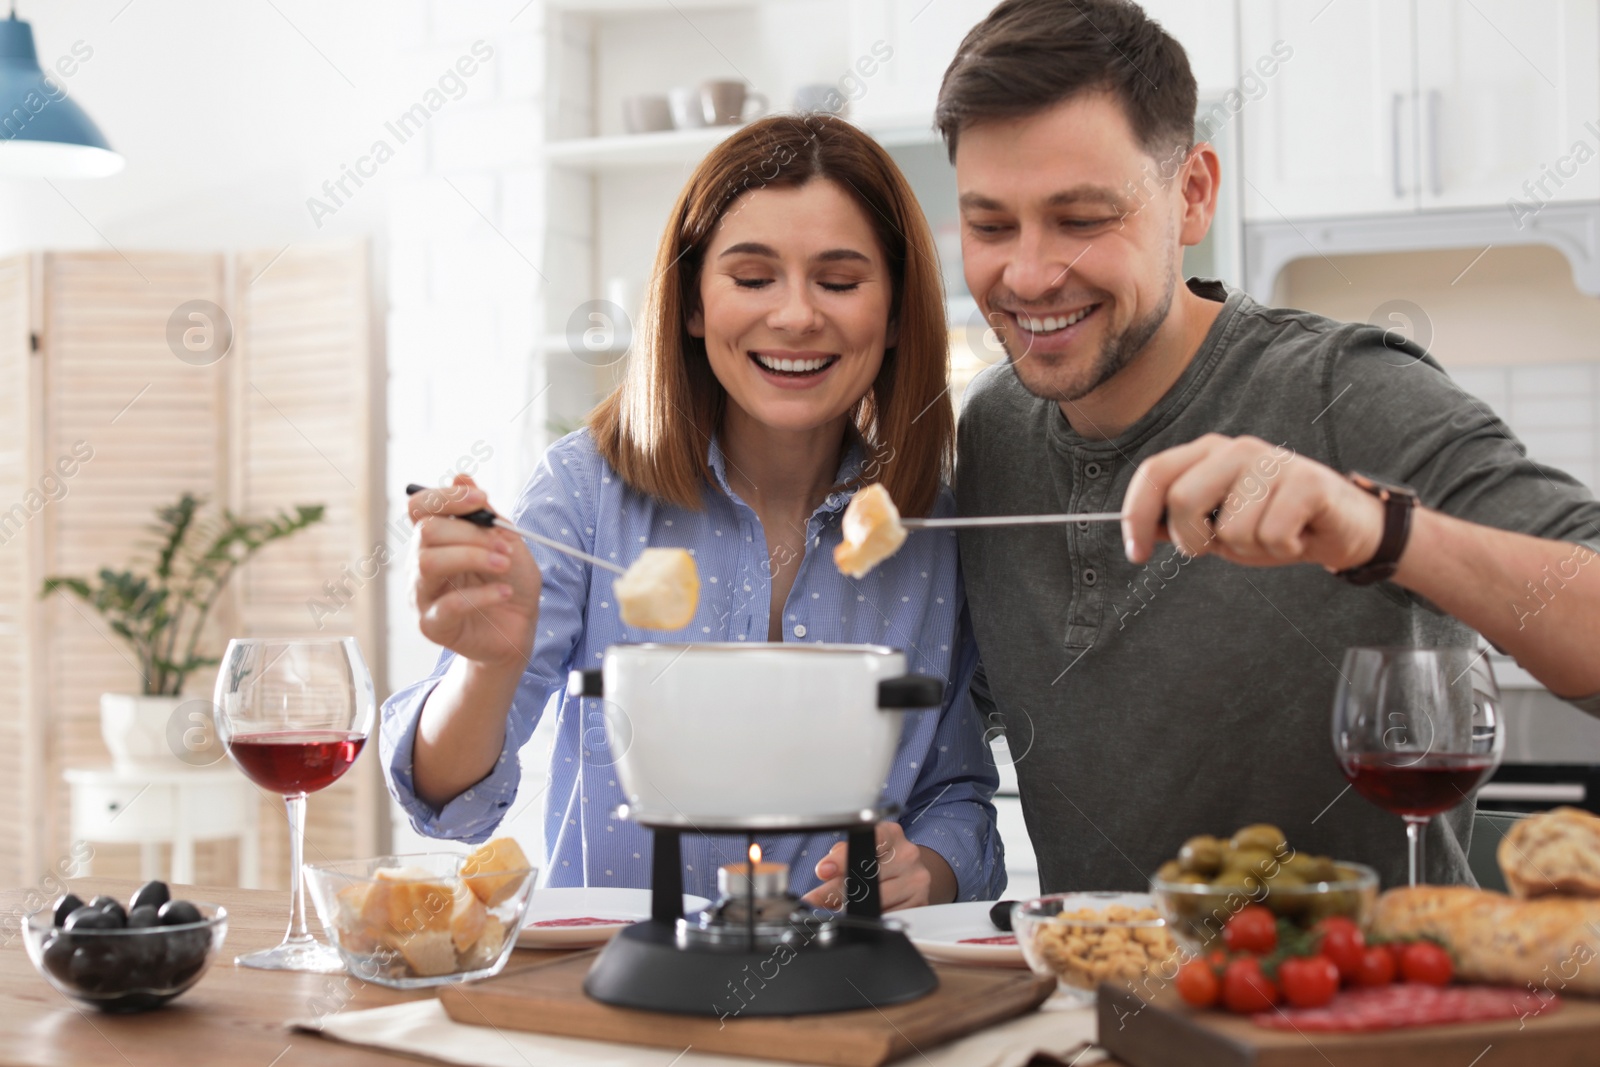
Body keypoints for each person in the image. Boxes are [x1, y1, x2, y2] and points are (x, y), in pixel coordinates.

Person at [937, 0, 1600, 891]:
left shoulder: (1345, 391)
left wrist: (1376, 532)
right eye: (990, 226)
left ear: (1194, 194)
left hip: (1365, 1015)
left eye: (1082, 217)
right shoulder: (992, 427)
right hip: (1097, 1020)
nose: (1027, 273)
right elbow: (965, 713)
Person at [379, 114, 1005, 910]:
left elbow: (956, 792)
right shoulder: (585, 491)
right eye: (752, 279)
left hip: (843, 990)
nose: (796, 315)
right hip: (621, 995)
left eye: (840, 282)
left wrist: (928, 867)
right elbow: (446, 798)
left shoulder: (931, 528)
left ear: (892, 315)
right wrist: (485, 665)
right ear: (693, 305)